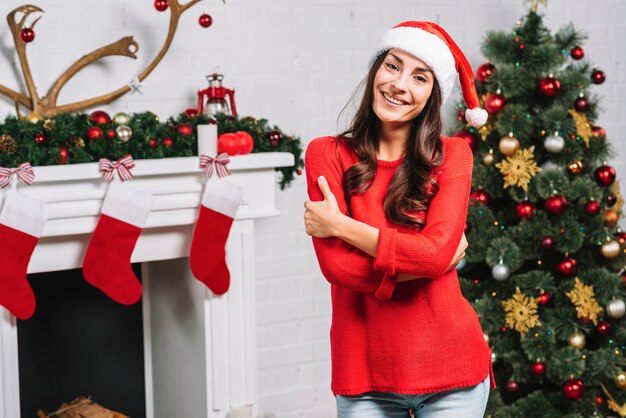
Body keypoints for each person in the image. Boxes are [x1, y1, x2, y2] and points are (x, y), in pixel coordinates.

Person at [303, 21, 496, 417]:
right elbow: (337, 267)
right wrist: (427, 262)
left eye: (419, 77)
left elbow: (434, 255)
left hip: (453, 370)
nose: (399, 84)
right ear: (376, 70)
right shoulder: (326, 154)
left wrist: (341, 226)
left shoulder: (453, 156)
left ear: (432, 95)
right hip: (364, 375)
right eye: (392, 66)